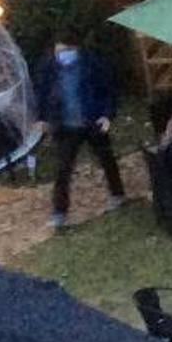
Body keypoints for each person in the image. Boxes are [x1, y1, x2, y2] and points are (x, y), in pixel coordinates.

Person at [31, 34, 124, 231]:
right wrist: (43, 118)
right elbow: (42, 94)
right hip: (66, 126)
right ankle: (59, 212)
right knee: (63, 169)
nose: (63, 55)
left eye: (67, 51)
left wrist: (107, 115)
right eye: (59, 51)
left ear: (76, 49)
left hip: (92, 121)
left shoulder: (91, 64)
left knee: (106, 158)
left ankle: (117, 193)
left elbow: (107, 90)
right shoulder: (49, 68)